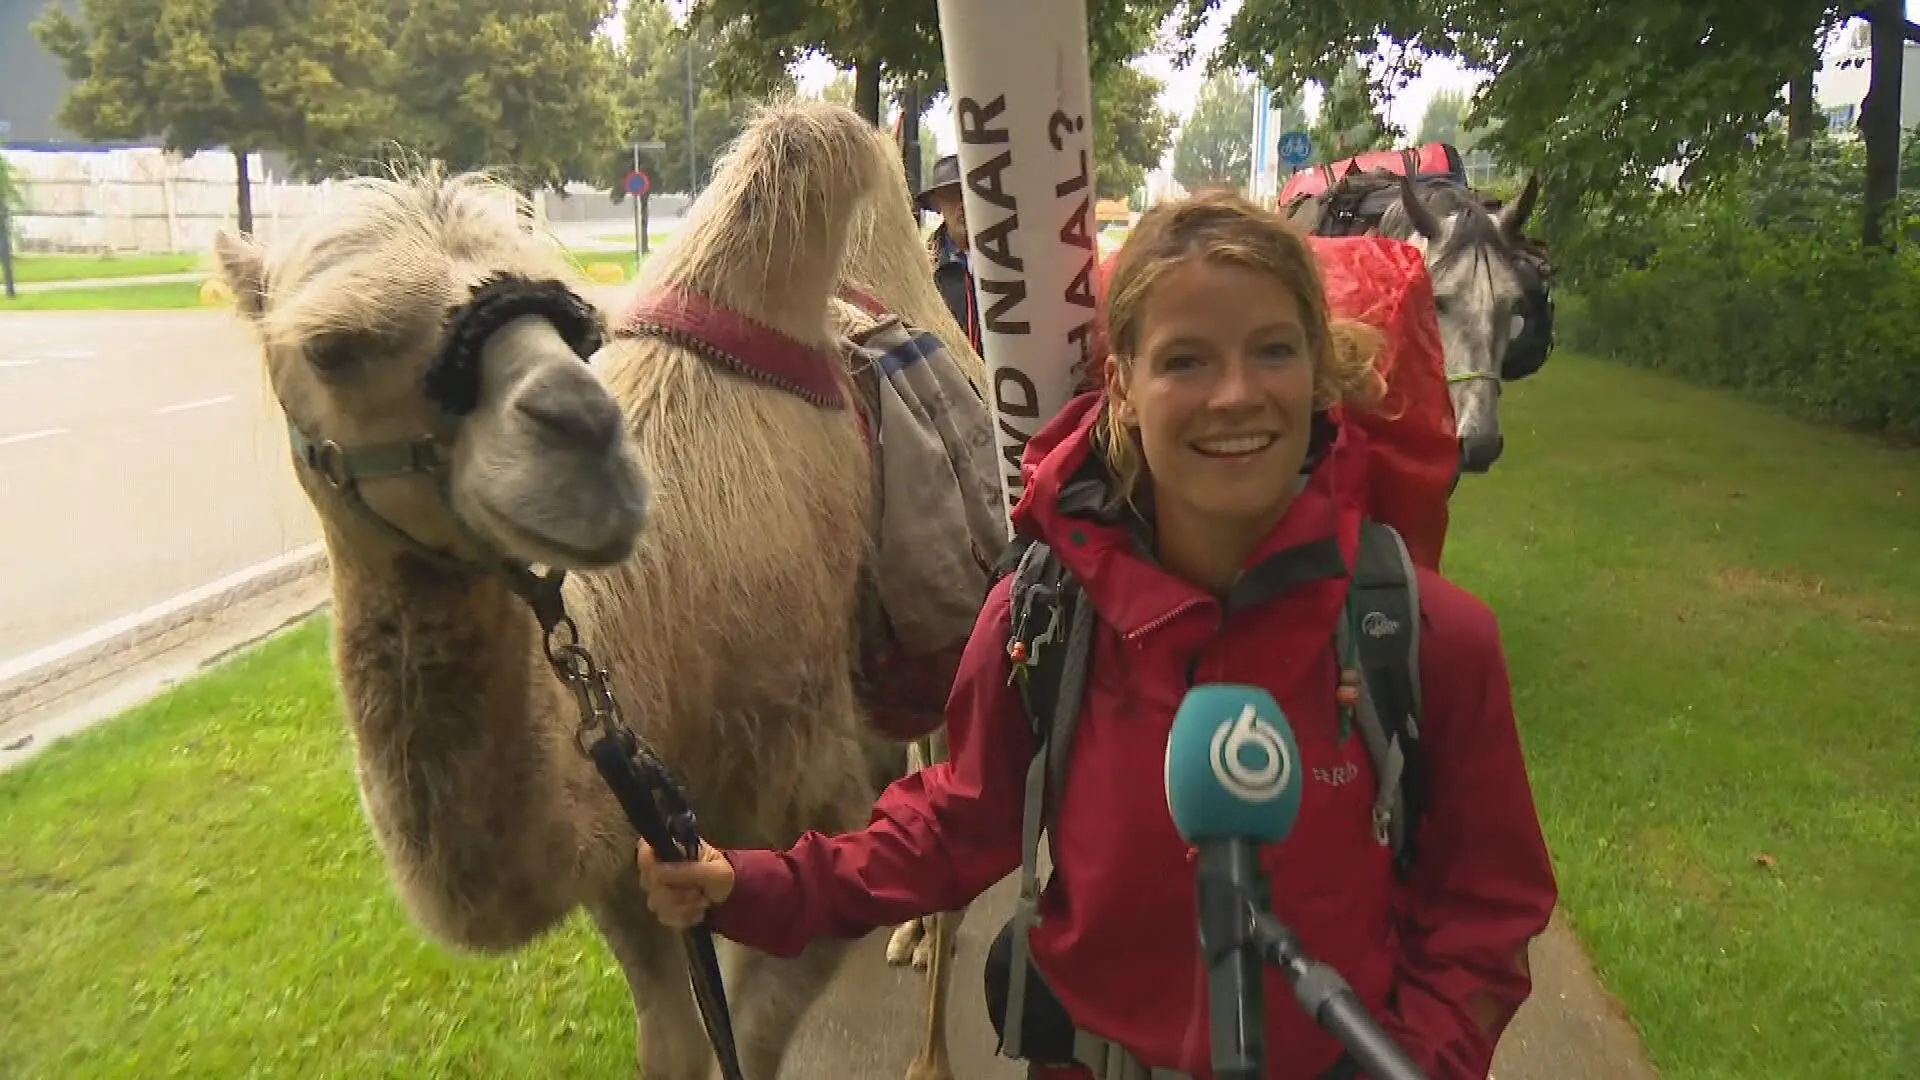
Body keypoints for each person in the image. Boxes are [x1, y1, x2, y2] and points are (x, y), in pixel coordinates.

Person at [638, 189, 1559, 1080]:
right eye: (1186, 361)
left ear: (1319, 374)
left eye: (1273, 351)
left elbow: (1484, 915)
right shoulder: (1045, 613)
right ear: (1123, 387)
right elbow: (959, 821)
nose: (1236, 395)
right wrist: (757, 885)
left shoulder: (1429, 638)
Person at [917, 153, 984, 355]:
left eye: (969, 193)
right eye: (952, 196)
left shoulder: (1012, 258)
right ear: (937, 205)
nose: (964, 205)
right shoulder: (924, 268)